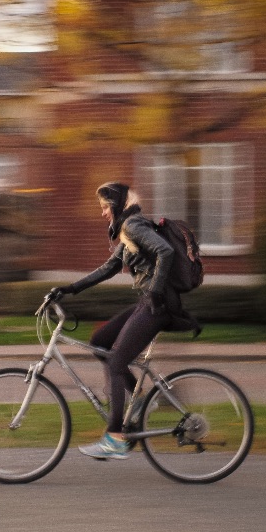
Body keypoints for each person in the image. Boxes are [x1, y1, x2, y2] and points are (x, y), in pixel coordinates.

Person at [48, 181, 200, 460]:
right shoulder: (128, 230)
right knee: (100, 341)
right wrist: (68, 289)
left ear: (117, 205)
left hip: (158, 305)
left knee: (117, 361)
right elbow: (108, 268)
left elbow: (164, 251)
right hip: (150, 302)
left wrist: (154, 290)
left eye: (106, 207)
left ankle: (115, 437)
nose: (103, 212)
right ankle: (140, 401)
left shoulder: (133, 226)